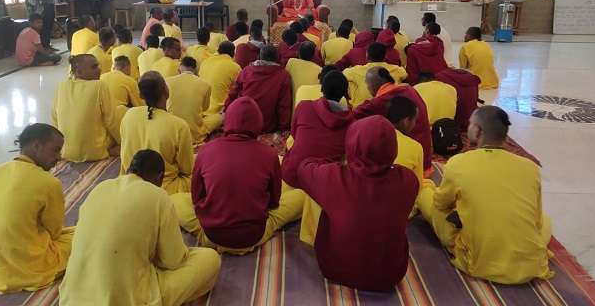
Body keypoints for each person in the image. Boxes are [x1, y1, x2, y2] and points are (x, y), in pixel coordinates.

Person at [59, 149, 220, 306]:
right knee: (210, 259)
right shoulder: (158, 196)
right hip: (129, 299)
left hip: (72, 299)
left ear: (128, 169)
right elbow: (173, 261)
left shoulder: (99, 188)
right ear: (159, 178)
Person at [416, 106, 552, 284]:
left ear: (478, 131)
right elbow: (536, 219)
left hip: (479, 262)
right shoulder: (530, 167)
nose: (468, 127)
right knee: (544, 218)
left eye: (471, 124)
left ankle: (425, 188)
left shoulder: (459, 163)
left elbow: (441, 204)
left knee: (427, 196)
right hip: (530, 265)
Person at [284, 116, 419, 291]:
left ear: (352, 144)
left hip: (337, 268)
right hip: (390, 274)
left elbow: (303, 168)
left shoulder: (334, 177)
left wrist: (337, 160)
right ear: (393, 147)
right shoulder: (408, 180)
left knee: (315, 196)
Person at [171, 97, 305, 253]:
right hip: (253, 236)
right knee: (302, 197)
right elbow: (274, 202)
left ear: (228, 120)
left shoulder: (206, 150)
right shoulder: (269, 154)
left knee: (175, 199)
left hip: (211, 235)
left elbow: (196, 198)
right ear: (258, 122)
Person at [0, 123, 73, 293]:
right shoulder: (48, 183)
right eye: (56, 150)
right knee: (85, 236)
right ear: (37, 146)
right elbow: (55, 232)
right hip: (29, 269)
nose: (59, 157)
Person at [282, 71, 353, 245]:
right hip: (323, 184)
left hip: (292, 175)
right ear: (345, 93)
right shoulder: (353, 121)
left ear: (321, 89)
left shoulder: (304, 107)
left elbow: (295, 135)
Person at [120, 71, 194, 194]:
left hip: (129, 184)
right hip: (164, 187)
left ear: (141, 95)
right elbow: (187, 169)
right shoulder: (179, 125)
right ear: (166, 90)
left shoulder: (129, 115)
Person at [355, 67, 433, 173]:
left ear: (374, 85)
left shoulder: (381, 101)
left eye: (367, 85)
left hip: (407, 164)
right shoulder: (409, 89)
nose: (367, 88)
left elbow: (355, 114)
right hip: (426, 156)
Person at [51, 55, 120, 161]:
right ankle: (107, 150)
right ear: (79, 72)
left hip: (65, 152)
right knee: (121, 110)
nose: (99, 69)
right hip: (95, 153)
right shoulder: (99, 85)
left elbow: (54, 119)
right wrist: (122, 143)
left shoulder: (61, 86)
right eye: (94, 67)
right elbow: (112, 120)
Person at [226, 45, 292, 133]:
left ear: (260, 57)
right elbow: (284, 105)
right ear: (277, 58)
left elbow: (233, 93)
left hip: (241, 122)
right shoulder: (283, 75)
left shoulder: (247, 70)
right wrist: (283, 128)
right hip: (266, 126)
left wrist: (226, 112)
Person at [166, 57, 221, 143]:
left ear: (180, 67)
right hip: (195, 133)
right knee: (220, 117)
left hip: (172, 132)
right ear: (195, 69)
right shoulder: (205, 84)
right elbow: (205, 108)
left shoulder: (167, 81)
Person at [343, 42, 407, 107]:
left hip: (361, 109)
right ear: (385, 57)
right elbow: (405, 75)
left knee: (351, 83)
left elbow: (344, 73)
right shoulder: (397, 69)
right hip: (388, 108)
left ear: (367, 56)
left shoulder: (355, 70)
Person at [386, 96, 424, 188]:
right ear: (406, 121)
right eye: (415, 119)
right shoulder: (415, 147)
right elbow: (418, 186)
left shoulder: (372, 136)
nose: (415, 124)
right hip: (401, 196)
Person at [199, 41, 241, 114]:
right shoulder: (234, 67)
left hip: (201, 109)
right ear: (233, 54)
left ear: (218, 51)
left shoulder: (205, 62)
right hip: (219, 112)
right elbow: (240, 89)